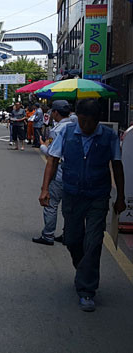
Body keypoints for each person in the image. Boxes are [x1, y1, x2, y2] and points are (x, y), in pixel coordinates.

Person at [39, 99, 126, 312]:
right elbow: (52, 160)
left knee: (94, 241)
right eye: (82, 121)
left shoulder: (109, 137)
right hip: (72, 194)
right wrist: (45, 189)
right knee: (72, 239)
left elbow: (117, 166)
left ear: (98, 120)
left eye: (91, 122)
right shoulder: (67, 133)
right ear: (77, 117)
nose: (86, 126)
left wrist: (121, 197)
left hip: (98, 196)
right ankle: (83, 268)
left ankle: (87, 290)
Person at [32, 100, 74, 246]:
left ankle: (48, 235)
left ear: (55, 112)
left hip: (60, 171)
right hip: (74, 173)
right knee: (69, 207)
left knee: (51, 204)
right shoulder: (75, 127)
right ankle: (68, 234)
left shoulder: (57, 130)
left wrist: (43, 146)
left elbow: (52, 156)